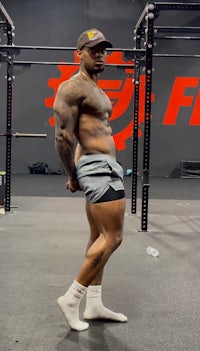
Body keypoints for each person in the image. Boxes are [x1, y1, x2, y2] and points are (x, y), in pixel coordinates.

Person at [53, 28, 127, 332]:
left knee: (98, 237)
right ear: (78, 54)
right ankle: (72, 298)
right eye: (92, 49)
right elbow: (63, 135)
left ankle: (94, 304)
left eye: (103, 50)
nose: (99, 54)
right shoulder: (72, 88)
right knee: (114, 238)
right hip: (99, 170)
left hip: (101, 165)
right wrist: (74, 174)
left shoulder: (95, 89)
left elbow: (87, 132)